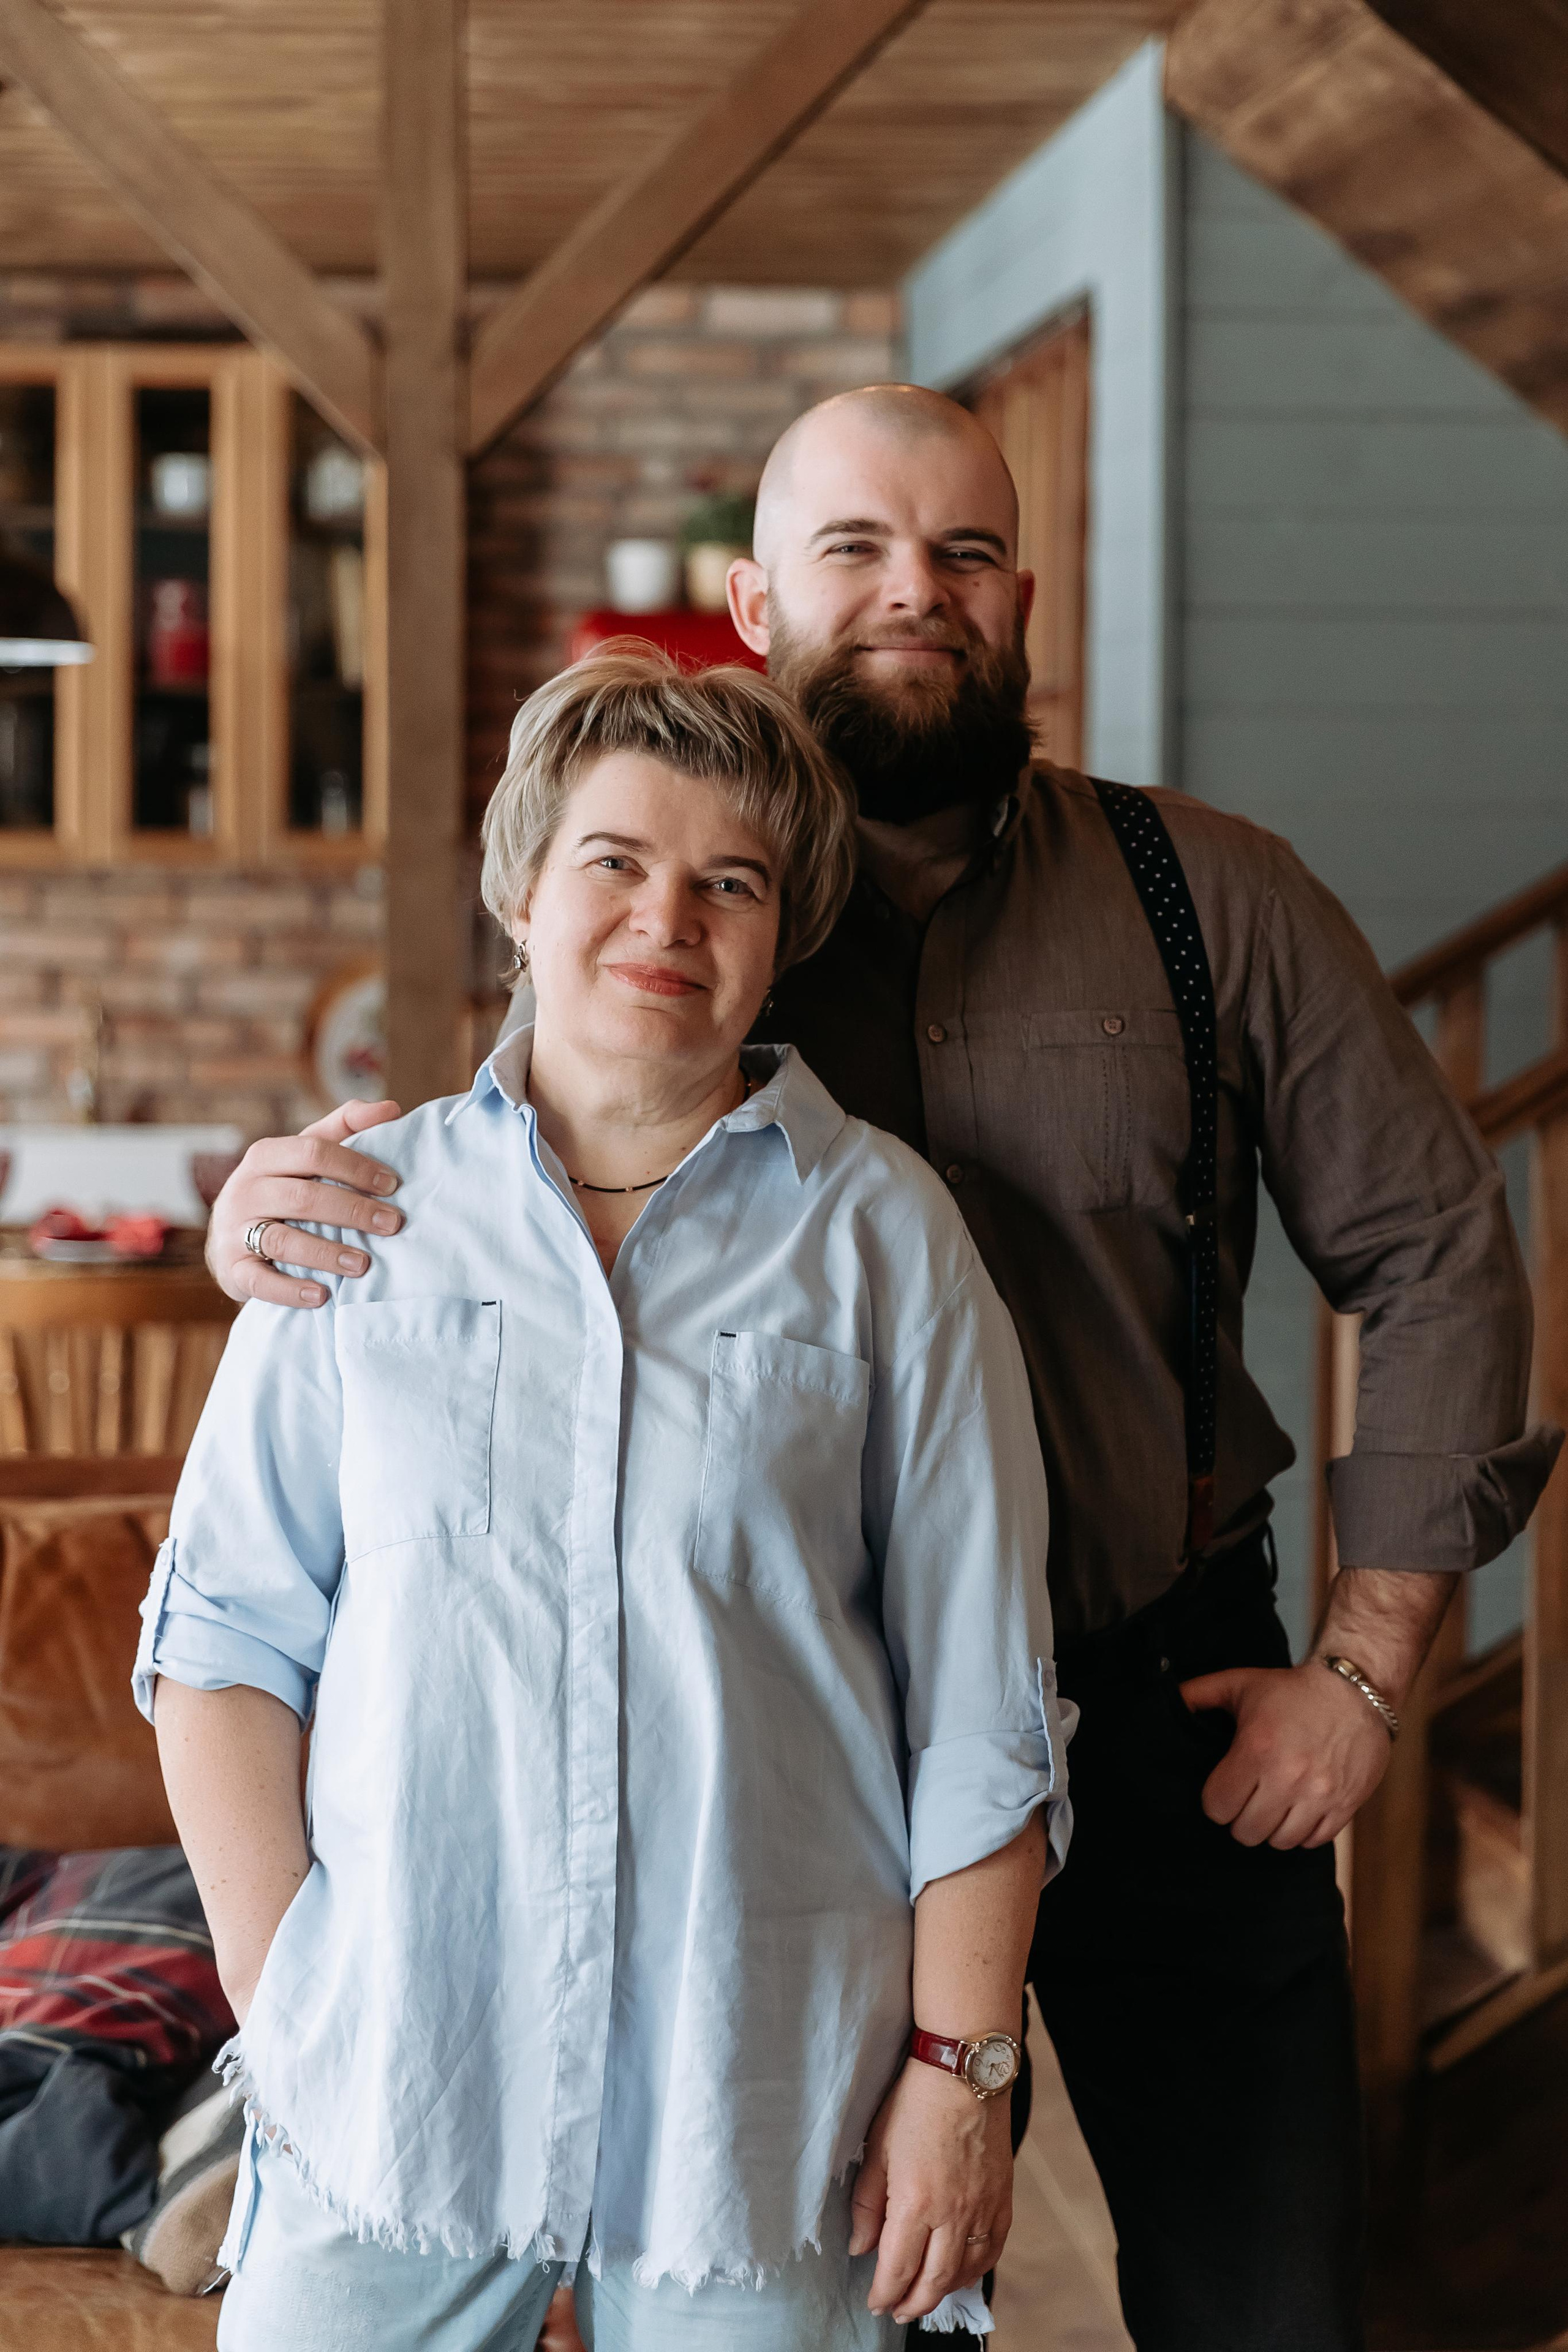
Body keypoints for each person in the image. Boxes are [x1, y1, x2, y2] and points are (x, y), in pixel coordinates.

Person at [207, 387, 1561, 2352]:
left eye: (966, 555)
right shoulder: (696, 899)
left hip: (1171, 1692)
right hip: (810, 1756)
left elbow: (1442, 1254)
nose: (915, 595)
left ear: (1023, 600)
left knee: (1267, 2308)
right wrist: (265, 1218)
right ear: (756, 600)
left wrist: (1363, 1671)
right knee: (864, 2279)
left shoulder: (1216, 900)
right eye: (855, 551)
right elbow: (482, 1203)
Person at [141, 649, 1072, 2352]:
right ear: (521, 888)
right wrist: (298, 2006)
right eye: (617, 863)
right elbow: (222, 1644)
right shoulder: (360, 1214)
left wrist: (962, 2069)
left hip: (770, 2109)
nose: (670, 917)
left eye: (732, 881)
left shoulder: (886, 1243)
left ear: (784, 933)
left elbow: (984, 1711)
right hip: (397, 2106)